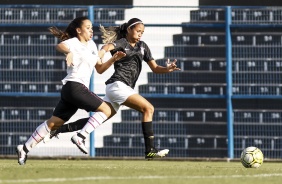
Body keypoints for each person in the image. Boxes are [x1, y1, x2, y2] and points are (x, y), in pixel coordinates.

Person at [50, 18, 181, 160]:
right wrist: (97, 56)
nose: (140, 34)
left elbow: (155, 68)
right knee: (148, 108)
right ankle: (150, 150)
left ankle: (58, 129)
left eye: (142, 32)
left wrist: (167, 69)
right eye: (138, 31)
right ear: (129, 30)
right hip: (118, 85)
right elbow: (106, 47)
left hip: (119, 88)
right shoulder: (122, 43)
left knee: (99, 118)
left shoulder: (143, 46)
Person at [16, 16, 126, 165]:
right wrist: (69, 52)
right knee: (107, 111)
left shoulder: (92, 45)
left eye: (91, 28)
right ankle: (80, 137)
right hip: (75, 86)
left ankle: (24, 148)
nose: (91, 30)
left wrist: (112, 60)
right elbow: (60, 46)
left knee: (53, 123)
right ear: (79, 30)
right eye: (88, 28)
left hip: (71, 90)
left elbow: (99, 69)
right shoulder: (73, 43)